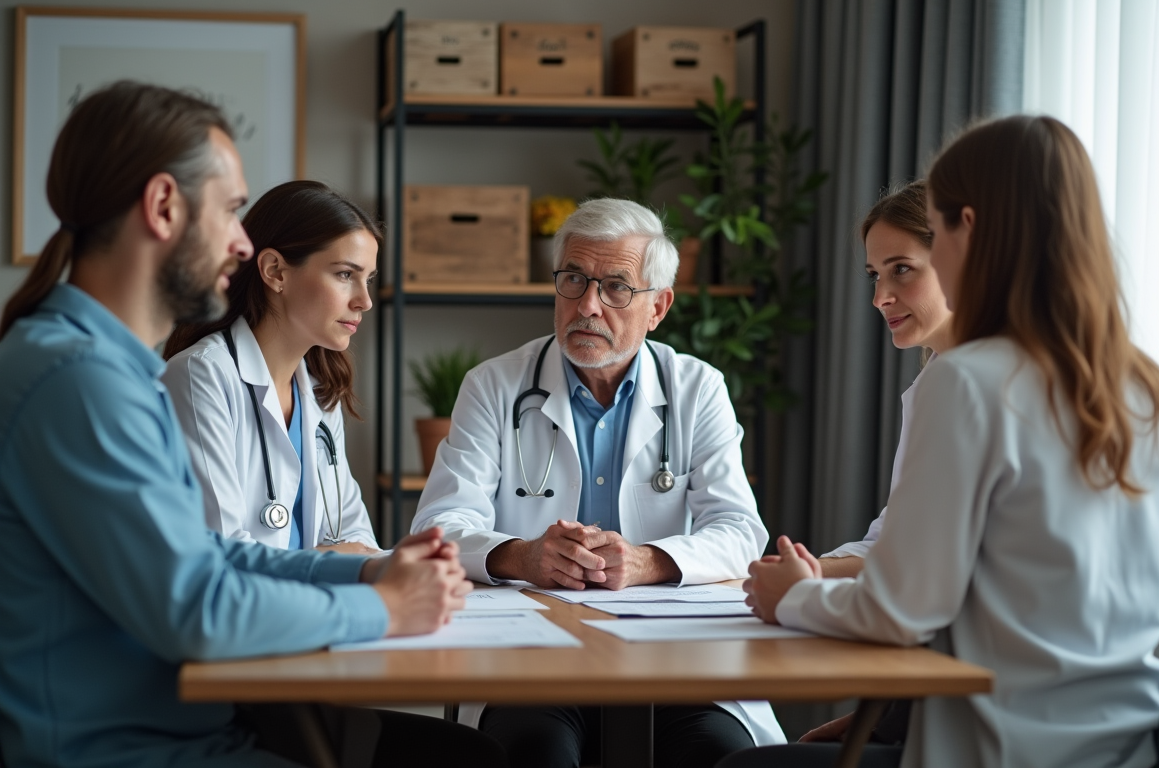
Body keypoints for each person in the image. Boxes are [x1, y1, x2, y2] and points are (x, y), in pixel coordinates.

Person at [0, 81, 505, 768]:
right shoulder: (81, 382)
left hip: (189, 731)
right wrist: (386, 610)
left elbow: (207, 559)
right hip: (129, 749)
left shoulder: (108, 372)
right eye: (233, 209)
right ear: (163, 207)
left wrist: (370, 577)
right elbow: (197, 608)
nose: (242, 242)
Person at [733, 115, 1159, 768]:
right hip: (1123, 746)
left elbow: (904, 611)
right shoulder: (1140, 384)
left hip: (1002, 748)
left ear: (967, 227)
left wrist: (793, 598)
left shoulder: (969, 382)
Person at [411, 197, 784, 766]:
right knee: (536, 754)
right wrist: (519, 555)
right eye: (573, 280)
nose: (587, 305)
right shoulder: (494, 386)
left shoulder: (697, 389)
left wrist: (647, 561)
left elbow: (739, 531)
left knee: (717, 756)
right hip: (533, 661)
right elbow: (438, 527)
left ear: (657, 307)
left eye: (616, 287)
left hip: (673, 661)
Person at [162, 180, 382, 554]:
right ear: (275, 271)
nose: (365, 301)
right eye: (346, 275)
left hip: (316, 607)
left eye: (368, 279)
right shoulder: (201, 376)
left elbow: (355, 534)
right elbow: (219, 553)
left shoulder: (321, 391)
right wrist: (331, 560)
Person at [819, 179, 952, 582]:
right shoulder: (934, 383)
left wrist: (809, 579)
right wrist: (808, 569)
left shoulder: (996, 387)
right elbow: (895, 537)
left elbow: (936, 561)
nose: (880, 297)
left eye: (902, 270)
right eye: (875, 274)